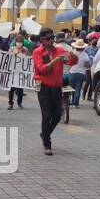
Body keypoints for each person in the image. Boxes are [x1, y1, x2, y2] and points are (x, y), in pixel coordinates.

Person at [33, 28, 77, 156]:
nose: (51, 40)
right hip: (43, 86)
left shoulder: (59, 50)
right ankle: (47, 143)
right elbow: (42, 70)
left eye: (52, 38)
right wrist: (55, 61)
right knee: (46, 116)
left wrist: (73, 54)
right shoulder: (38, 52)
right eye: (48, 38)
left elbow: (73, 61)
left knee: (57, 115)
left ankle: (44, 133)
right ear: (42, 40)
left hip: (56, 86)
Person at [8, 30, 34, 110]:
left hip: (21, 71)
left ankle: (19, 102)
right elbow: (7, 58)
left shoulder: (25, 49)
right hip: (13, 70)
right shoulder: (12, 49)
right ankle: (10, 103)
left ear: (23, 42)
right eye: (17, 42)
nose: (19, 43)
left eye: (20, 42)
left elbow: (30, 58)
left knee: (20, 88)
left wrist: (25, 54)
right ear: (15, 42)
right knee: (11, 89)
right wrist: (13, 55)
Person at [69, 38, 90, 107]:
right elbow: (87, 65)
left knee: (72, 88)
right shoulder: (85, 55)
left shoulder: (73, 52)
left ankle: (72, 101)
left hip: (72, 72)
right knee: (78, 89)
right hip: (81, 74)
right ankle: (76, 103)